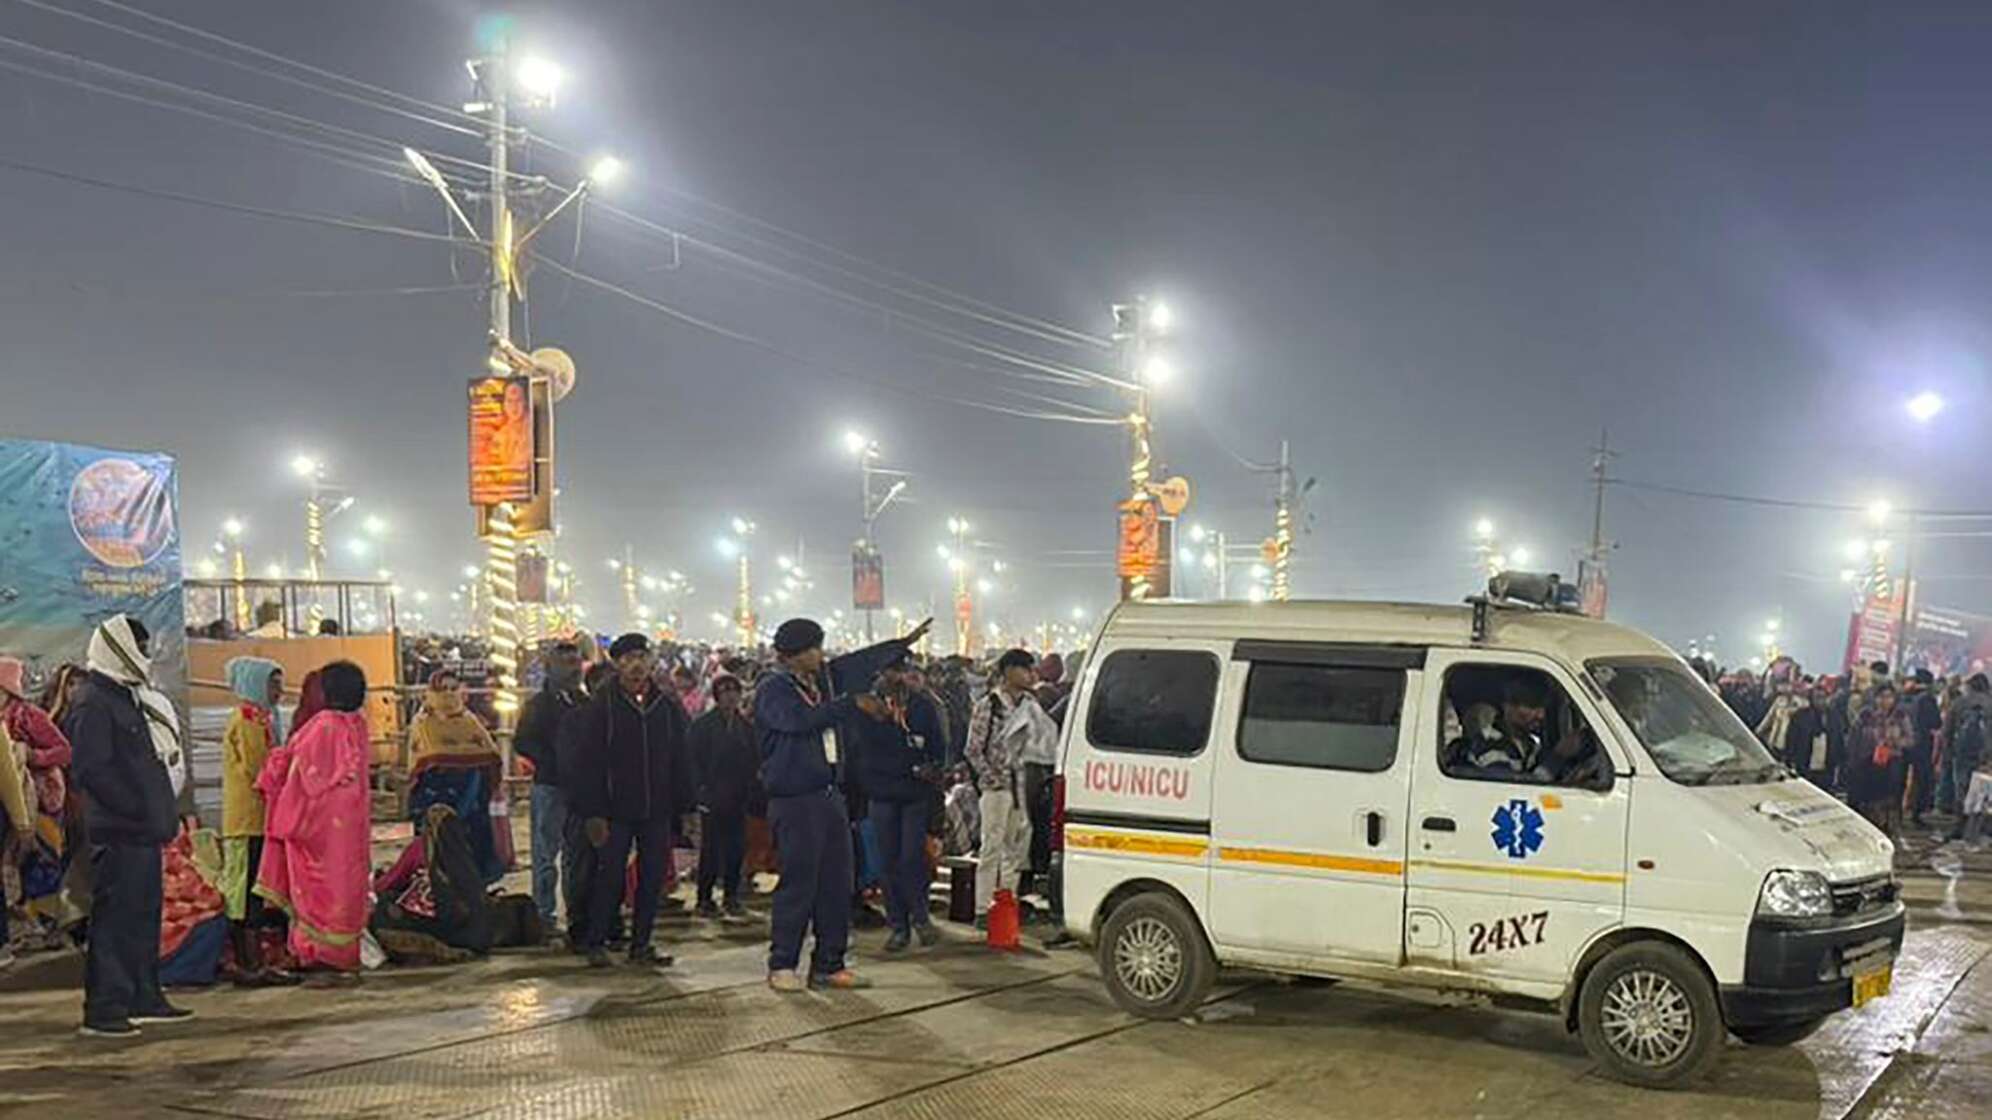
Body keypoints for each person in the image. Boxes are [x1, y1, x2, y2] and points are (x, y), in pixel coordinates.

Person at [756, 616, 930, 992]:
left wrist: (900, 644)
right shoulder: (773, 689)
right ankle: (782, 963)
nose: (820, 655)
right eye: (813, 648)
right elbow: (798, 721)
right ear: (793, 654)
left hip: (831, 795)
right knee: (800, 881)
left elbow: (858, 662)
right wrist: (851, 705)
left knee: (837, 882)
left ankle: (829, 964)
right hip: (795, 798)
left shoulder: (822, 681)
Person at [64, 616, 187, 1036]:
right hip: (117, 832)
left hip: (141, 831)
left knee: (142, 917)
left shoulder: (127, 697)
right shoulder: (93, 700)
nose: (146, 654)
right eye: (139, 645)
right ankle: (106, 1008)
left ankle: (144, 996)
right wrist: (134, 806)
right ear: (118, 648)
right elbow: (92, 769)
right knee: (115, 921)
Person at [566, 633, 695, 970]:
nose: (636, 665)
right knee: (609, 878)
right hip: (613, 810)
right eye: (627, 658)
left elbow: (681, 756)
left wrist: (687, 805)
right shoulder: (601, 705)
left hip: (656, 809)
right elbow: (588, 762)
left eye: (641, 656)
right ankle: (596, 941)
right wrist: (593, 812)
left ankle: (641, 943)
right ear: (616, 663)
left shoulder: (665, 705)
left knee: (652, 880)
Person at [255, 660, 372, 973]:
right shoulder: (358, 723)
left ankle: (315, 952)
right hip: (350, 823)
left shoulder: (323, 726)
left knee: (318, 887)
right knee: (347, 883)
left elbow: (300, 772)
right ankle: (344, 952)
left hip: (319, 824)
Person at [850, 652, 946, 950]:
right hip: (882, 795)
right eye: (889, 671)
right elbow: (859, 753)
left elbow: (939, 747)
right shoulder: (868, 710)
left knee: (911, 860)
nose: (895, 677)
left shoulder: (922, 707)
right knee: (887, 863)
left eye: (900, 670)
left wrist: (933, 768)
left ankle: (920, 917)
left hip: (914, 794)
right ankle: (899, 926)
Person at [965, 649, 1059, 927]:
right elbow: (972, 749)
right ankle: (983, 909)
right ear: (1008, 672)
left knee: (1016, 851)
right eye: (1026, 669)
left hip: (1022, 788)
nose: (1032, 675)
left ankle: (1006, 904)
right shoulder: (989, 705)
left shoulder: (1030, 704)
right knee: (991, 848)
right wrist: (991, 778)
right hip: (997, 789)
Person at [219, 656, 290, 984]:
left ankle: (253, 961)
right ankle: (250, 964)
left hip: (255, 817)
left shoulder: (261, 718)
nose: (279, 690)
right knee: (246, 892)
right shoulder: (249, 720)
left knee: (250, 891)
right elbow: (259, 769)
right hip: (249, 819)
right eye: (273, 683)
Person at [406, 670, 505, 886]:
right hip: (437, 796)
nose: (449, 695)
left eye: (453, 689)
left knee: (473, 856)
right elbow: (429, 757)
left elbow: (489, 752)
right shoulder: (423, 722)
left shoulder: (469, 720)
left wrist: (463, 761)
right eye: (443, 689)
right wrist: (463, 756)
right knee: (442, 854)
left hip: (472, 802)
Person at [0, 657, 70, 949]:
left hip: (37, 805)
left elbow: (64, 751)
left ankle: (49, 928)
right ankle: (22, 930)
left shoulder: (28, 716)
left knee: (37, 865)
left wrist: (31, 757)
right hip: (8, 805)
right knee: (11, 868)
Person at [515, 642, 584, 937]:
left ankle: (576, 913)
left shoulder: (582, 701)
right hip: (550, 786)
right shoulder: (538, 705)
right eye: (567, 662)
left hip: (578, 788)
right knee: (546, 856)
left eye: (577, 662)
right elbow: (523, 741)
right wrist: (553, 761)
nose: (574, 668)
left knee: (575, 856)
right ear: (550, 667)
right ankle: (544, 915)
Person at [688, 673, 759, 919]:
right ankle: (704, 898)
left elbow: (754, 760)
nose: (730, 695)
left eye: (734, 690)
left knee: (736, 849)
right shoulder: (703, 726)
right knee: (711, 849)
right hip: (712, 796)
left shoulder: (746, 728)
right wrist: (700, 792)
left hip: (738, 797)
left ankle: (731, 896)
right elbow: (694, 762)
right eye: (725, 690)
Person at [1848, 683, 1915, 838]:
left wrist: (1894, 742)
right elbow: (1854, 736)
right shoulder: (1866, 715)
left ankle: (1888, 825)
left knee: (1889, 795)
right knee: (1869, 795)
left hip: (1892, 761)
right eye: (1881, 697)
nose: (1885, 701)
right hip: (1868, 760)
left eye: (1889, 697)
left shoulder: (1900, 716)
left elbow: (1910, 739)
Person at [1942, 674, 1992, 841]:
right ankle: (1978, 830)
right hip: (1985, 757)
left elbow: (1947, 730)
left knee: (1961, 791)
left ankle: (1959, 826)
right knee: (1982, 793)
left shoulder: (1959, 703)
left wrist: (1948, 752)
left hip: (1961, 754)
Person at [1907, 669, 1943, 828]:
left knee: (1906, 778)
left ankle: (1902, 811)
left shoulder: (1907, 696)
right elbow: (1936, 722)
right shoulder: (1928, 699)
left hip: (1908, 740)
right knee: (1921, 778)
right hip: (1922, 743)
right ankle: (1916, 813)